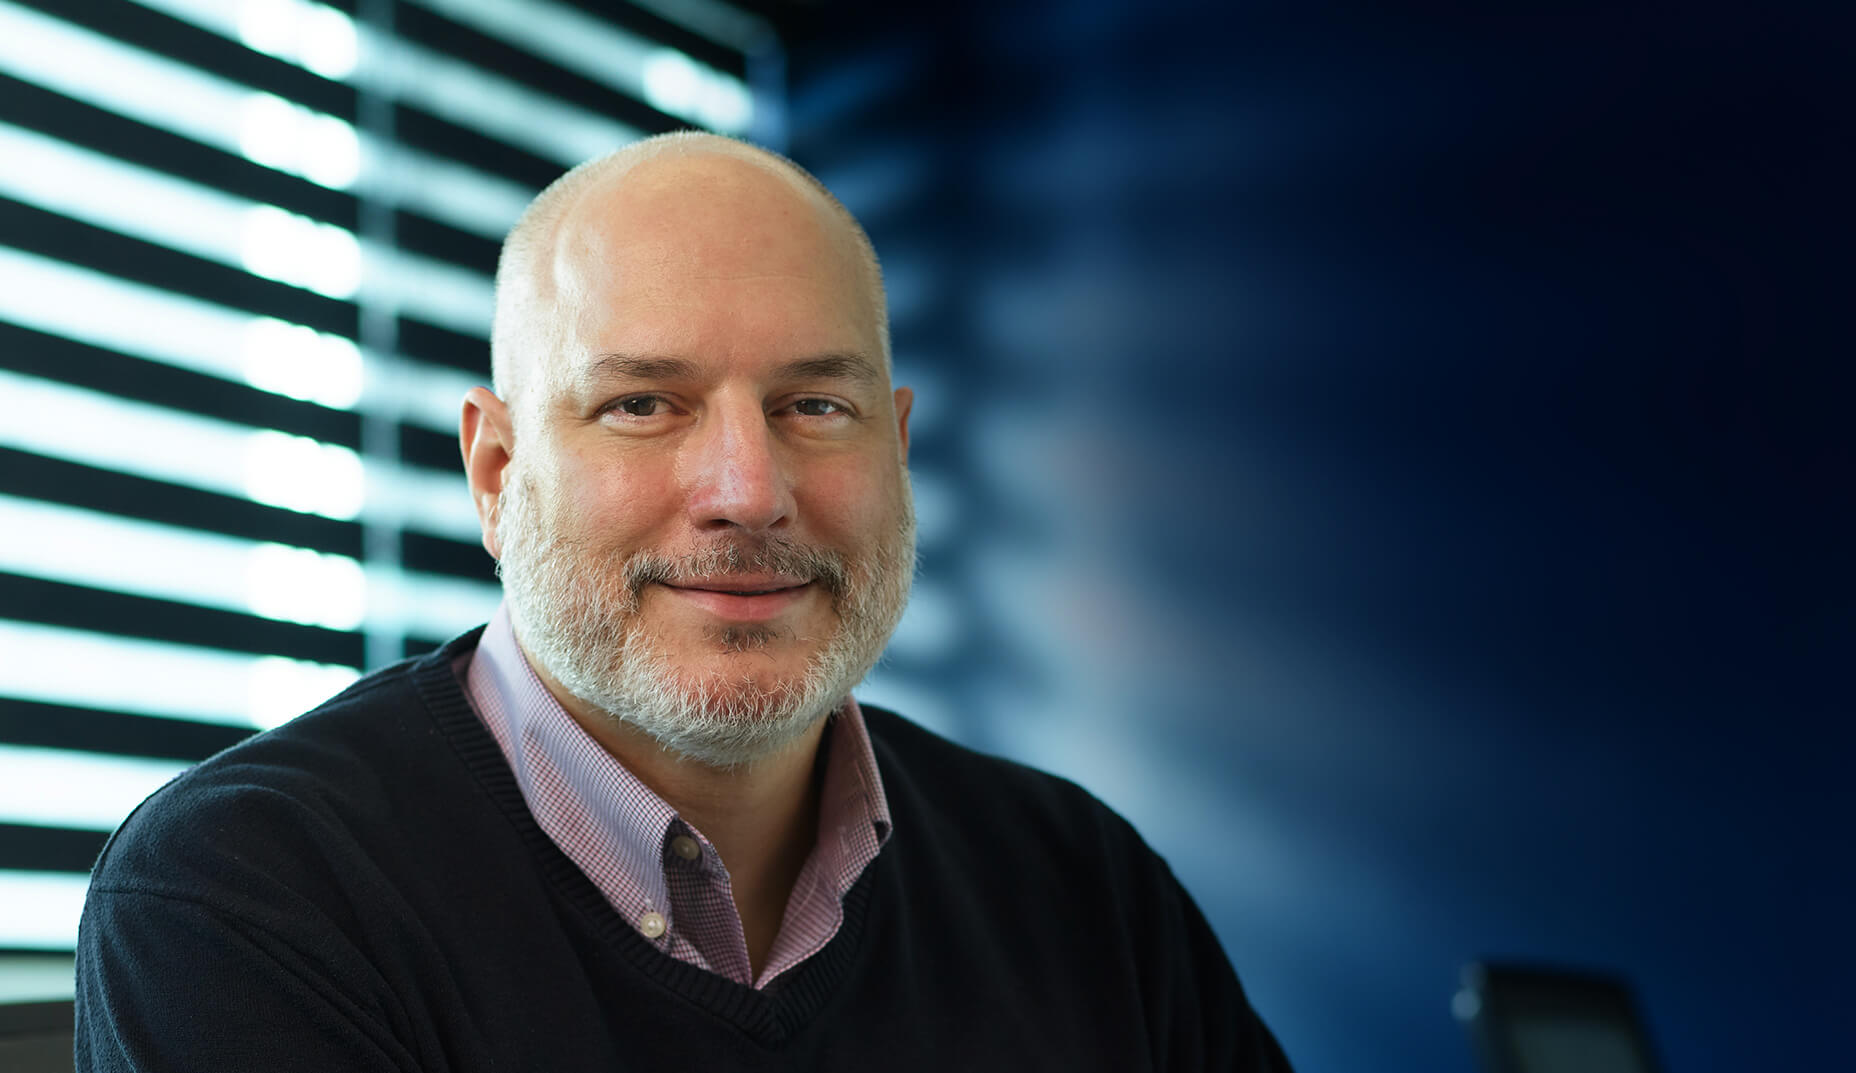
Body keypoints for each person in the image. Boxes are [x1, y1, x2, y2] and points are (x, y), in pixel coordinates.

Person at [73, 132, 1292, 1071]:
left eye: (816, 404)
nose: (747, 490)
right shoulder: (247, 894)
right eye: (640, 404)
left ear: (899, 448)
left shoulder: (1078, 882)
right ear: (497, 475)